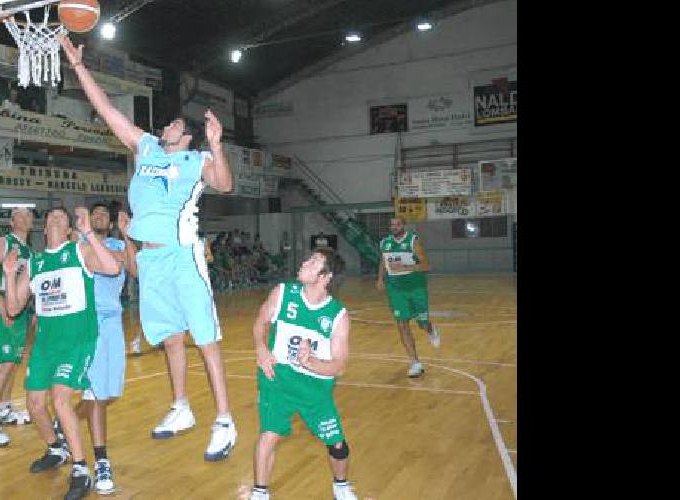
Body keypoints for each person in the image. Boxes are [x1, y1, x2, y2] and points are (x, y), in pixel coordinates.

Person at [61, 33, 238, 462]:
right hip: (151, 257)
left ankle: (224, 421)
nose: (166, 126)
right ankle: (181, 408)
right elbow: (106, 111)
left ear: (188, 137)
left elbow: (226, 185)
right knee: (170, 339)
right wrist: (79, 67)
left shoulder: (197, 161)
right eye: (167, 125)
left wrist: (216, 145)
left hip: (182, 255)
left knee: (204, 339)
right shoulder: (146, 149)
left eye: (174, 125)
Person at [3, 206, 121, 500]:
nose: (55, 217)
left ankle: (82, 469)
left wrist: (89, 234)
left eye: (62, 217)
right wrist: (7, 274)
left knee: (60, 399)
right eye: (51, 216)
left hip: (76, 341)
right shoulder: (35, 263)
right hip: (45, 344)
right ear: (43, 230)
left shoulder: (80, 251)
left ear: (69, 229)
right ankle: (56, 448)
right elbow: (13, 307)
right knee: (34, 404)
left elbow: (113, 268)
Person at [250, 250, 358, 500]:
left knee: (338, 446)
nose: (304, 263)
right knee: (269, 435)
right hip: (278, 378)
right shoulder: (282, 293)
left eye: (313, 262)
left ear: (325, 277)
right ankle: (260, 492)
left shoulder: (337, 316)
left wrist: (311, 362)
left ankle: (340, 486)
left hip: (315, 388)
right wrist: (261, 348)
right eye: (308, 259)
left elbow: (340, 365)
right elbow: (261, 321)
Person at [65, 203, 137, 494]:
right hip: (86, 321)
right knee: (95, 392)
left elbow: (131, 268)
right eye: (94, 214)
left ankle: (66, 419)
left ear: (111, 222)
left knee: (107, 394)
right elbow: (106, 261)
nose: (99, 217)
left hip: (112, 323)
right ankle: (102, 461)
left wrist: (127, 238)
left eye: (104, 215)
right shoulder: (79, 242)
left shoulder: (121, 242)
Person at [0, 208, 35, 447]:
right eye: (18, 215)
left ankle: (5, 408)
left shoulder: (30, 252)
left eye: (27, 215)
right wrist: (1, 303)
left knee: (13, 360)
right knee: (5, 362)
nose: (23, 218)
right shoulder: (3, 242)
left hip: (18, 308)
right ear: (12, 222)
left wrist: (33, 310)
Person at [376, 216, 442, 378]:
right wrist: (380, 278)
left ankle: (430, 329)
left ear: (404, 225)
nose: (394, 227)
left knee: (422, 323)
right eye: (392, 224)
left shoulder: (413, 241)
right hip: (396, 289)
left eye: (398, 224)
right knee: (402, 324)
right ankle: (415, 362)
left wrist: (405, 266)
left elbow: (426, 265)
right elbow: (383, 261)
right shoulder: (385, 243)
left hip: (416, 288)